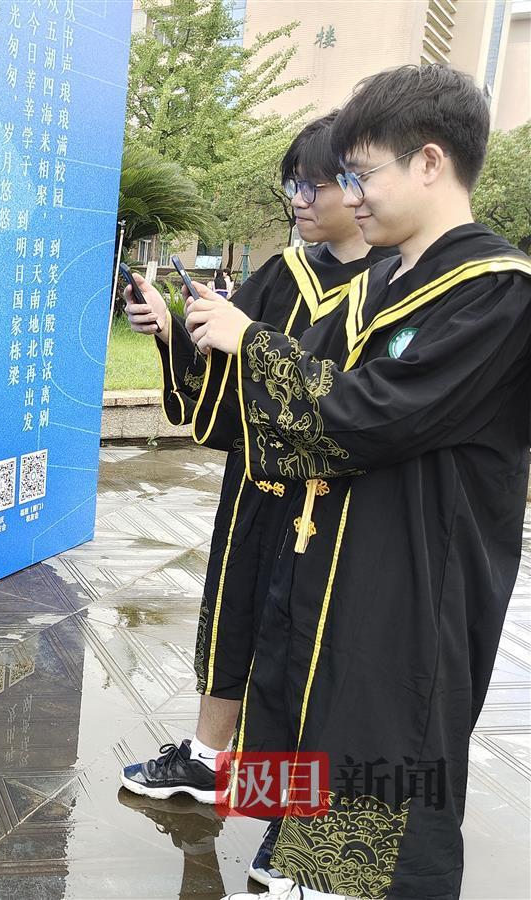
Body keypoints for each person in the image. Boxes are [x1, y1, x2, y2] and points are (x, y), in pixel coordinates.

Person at [184, 65, 531, 900]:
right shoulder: (382, 279)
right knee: (307, 699)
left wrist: (252, 342)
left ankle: (351, 882)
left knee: (382, 724)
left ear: (429, 162)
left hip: (410, 572)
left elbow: (372, 413)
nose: (349, 195)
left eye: (359, 173)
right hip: (325, 553)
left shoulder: (496, 294)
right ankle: (301, 858)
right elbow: (307, 393)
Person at [117, 112, 395, 887]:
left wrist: (251, 341)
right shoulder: (284, 274)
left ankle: (298, 824)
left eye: (314, 185)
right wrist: (174, 332)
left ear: (357, 186)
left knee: (306, 655)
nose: (298, 200)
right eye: (291, 185)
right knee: (232, 618)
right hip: (256, 490)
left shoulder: (395, 287)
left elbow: (362, 405)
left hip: (334, 507)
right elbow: (225, 384)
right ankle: (211, 762)